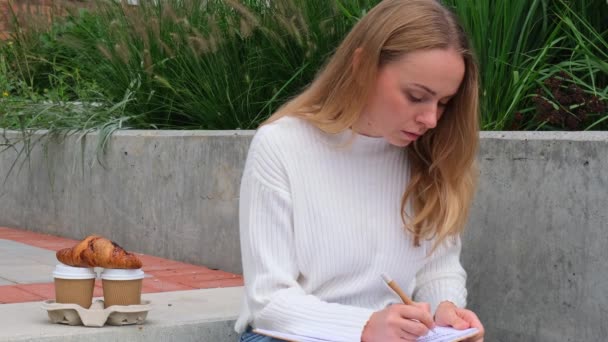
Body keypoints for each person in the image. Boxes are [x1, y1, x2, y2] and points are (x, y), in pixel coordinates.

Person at [235, 0, 485, 341]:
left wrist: (445, 312)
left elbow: (437, 268)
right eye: (416, 96)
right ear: (361, 65)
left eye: (443, 102)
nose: (431, 119)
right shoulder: (281, 146)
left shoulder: (432, 156)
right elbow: (268, 302)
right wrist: (364, 326)